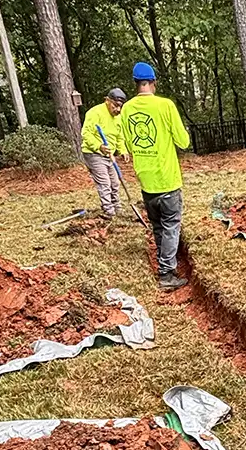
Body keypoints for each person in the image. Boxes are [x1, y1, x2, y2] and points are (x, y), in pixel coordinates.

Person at [121, 62, 190, 290]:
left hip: (146, 180)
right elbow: (183, 141)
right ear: (153, 82)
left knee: (159, 226)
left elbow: (130, 144)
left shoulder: (127, 110)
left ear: (135, 84)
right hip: (166, 178)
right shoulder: (165, 105)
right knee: (171, 225)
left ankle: (163, 261)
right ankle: (167, 273)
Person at [81, 88, 129, 219]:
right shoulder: (95, 113)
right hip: (93, 153)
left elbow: (119, 137)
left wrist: (123, 150)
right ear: (107, 101)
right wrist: (99, 146)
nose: (118, 110)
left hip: (110, 155)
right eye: (115, 106)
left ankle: (117, 207)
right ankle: (108, 210)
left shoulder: (118, 118)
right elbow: (86, 134)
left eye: (120, 107)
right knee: (105, 182)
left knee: (115, 182)